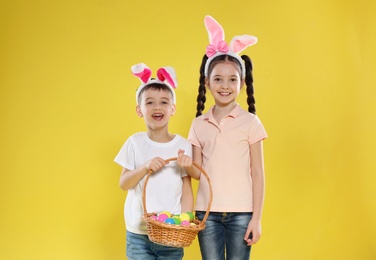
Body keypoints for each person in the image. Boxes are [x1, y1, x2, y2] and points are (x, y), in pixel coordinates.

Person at [186, 15, 268, 259]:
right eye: (218, 79)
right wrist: (185, 164)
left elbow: (258, 172)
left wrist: (257, 218)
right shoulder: (198, 124)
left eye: (232, 79)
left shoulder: (250, 122)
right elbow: (197, 172)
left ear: (242, 83)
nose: (225, 85)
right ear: (207, 83)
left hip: (242, 214)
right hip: (206, 213)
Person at [114, 63, 194, 260]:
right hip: (138, 233)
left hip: (171, 233)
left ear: (173, 109)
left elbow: (186, 189)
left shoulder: (182, 145)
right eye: (149, 102)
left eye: (164, 102)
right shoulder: (135, 142)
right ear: (139, 110)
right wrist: (144, 167)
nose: (157, 107)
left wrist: (184, 221)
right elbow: (124, 184)